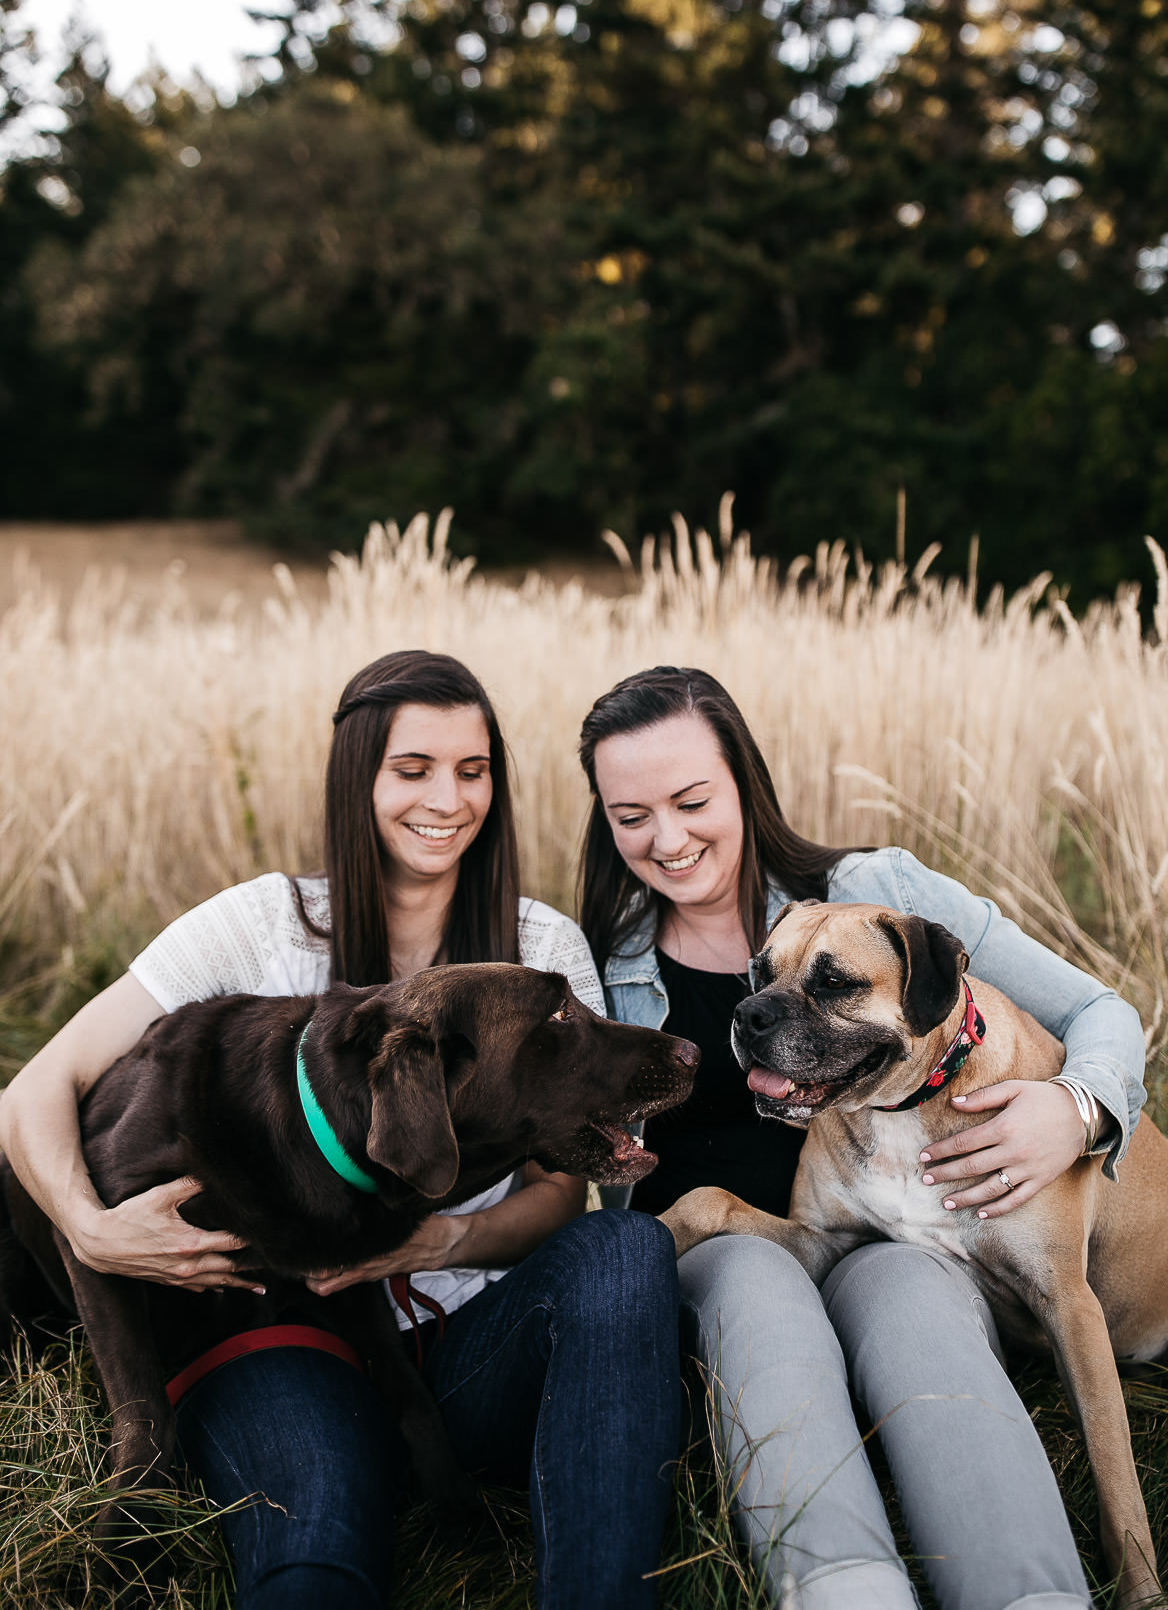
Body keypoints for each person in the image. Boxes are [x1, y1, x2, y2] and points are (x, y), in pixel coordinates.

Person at [0, 650, 682, 1610]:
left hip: (468, 1339)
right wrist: (91, 1226)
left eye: (474, 769)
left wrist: (439, 1237)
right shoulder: (260, 925)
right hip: (285, 1334)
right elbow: (33, 1091)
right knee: (316, 1533)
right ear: (358, 778)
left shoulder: (539, 951)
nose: (448, 798)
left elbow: (556, 1193)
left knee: (624, 1245)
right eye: (413, 769)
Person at [578, 664, 1147, 1610]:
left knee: (915, 1306)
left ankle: (1036, 1595)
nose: (667, 839)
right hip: (746, 1240)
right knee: (761, 1299)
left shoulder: (872, 895)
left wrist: (1076, 1107)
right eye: (631, 815)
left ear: (744, 784)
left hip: (888, 1232)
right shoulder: (601, 958)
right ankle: (843, 1590)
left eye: (692, 800)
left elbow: (1098, 1009)